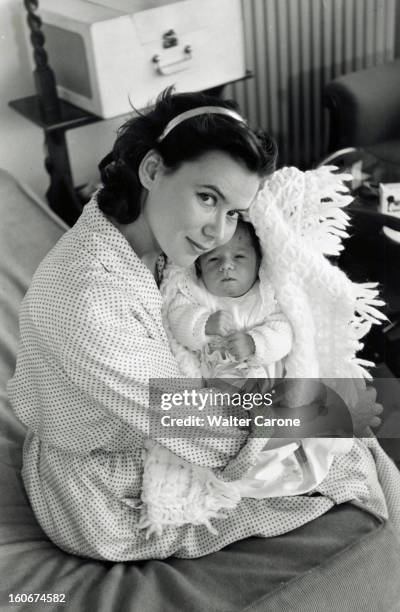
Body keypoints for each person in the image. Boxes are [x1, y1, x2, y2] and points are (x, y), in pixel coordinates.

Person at [7, 88, 393, 562]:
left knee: (354, 426)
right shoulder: (91, 303)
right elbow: (199, 425)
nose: (218, 232)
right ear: (151, 169)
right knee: (352, 463)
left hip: (165, 415)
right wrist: (316, 416)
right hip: (105, 489)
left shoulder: (127, 222)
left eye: (233, 212)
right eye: (207, 197)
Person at [164, 219, 293, 380]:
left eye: (239, 256)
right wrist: (204, 324)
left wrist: (253, 344)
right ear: (199, 265)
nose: (226, 265)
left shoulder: (265, 296)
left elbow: (284, 334)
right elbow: (175, 319)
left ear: (258, 261)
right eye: (213, 259)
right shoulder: (195, 291)